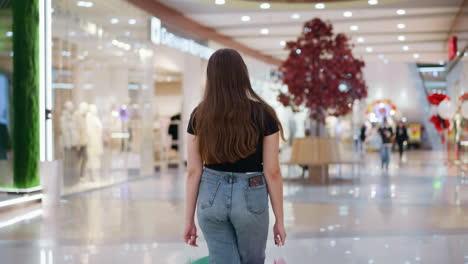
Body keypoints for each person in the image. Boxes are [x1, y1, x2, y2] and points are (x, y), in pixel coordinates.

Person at [183, 49, 286, 264]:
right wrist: (280, 220)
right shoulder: (263, 114)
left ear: (211, 77)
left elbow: (194, 171)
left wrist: (188, 219)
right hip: (251, 195)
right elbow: (272, 172)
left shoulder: (199, 115)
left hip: (211, 195)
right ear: (243, 74)